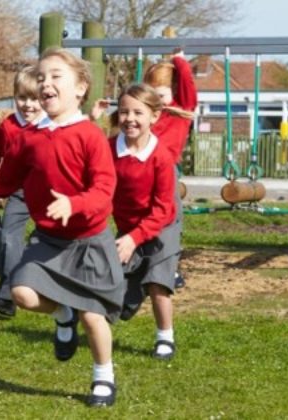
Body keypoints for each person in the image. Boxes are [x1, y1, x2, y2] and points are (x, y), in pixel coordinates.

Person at [0, 47, 124, 407]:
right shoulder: (30, 136)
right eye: (41, 77)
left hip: (89, 240)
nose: (46, 84)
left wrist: (74, 203)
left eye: (56, 77)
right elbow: (6, 176)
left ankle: (103, 376)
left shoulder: (90, 135)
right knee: (22, 293)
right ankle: (61, 313)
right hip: (50, 240)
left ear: (81, 87)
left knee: (93, 315)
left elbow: (103, 190)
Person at [109, 84, 180, 361]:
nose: (130, 118)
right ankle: (130, 295)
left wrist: (134, 238)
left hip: (163, 225)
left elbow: (162, 210)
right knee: (116, 288)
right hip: (128, 226)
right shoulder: (109, 150)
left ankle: (165, 338)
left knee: (158, 283)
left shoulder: (161, 158)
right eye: (124, 111)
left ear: (155, 116)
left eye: (138, 112)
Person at [0, 65, 45, 318]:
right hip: (18, 192)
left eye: (35, 99)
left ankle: (52, 287)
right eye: (22, 98)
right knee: (8, 238)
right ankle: (7, 296)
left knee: (46, 240)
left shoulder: (51, 125)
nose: (28, 105)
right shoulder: (8, 127)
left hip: (48, 193)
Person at [144, 49, 197, 290]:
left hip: (167, 169)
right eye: (152, 93)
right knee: (144, 215)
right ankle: (146, 262)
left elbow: (187, 83)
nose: (156, 98)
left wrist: (179, 60)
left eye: (161, 93)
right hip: (143, 167)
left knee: (169, 217)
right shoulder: (150, 112)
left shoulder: (183, 107)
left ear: (174, 92)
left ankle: (169, 268)